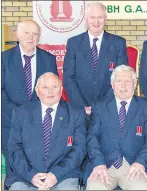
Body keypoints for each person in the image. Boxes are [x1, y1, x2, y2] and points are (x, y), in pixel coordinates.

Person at [6, 72, 86, 190]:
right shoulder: (21, 113)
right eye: (45, 87)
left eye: (55, 87)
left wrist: (55, 175)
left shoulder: (76, 114)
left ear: (61, 89)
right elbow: (14, 150)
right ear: (37, 91)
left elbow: (79, 150)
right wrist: (31, 175)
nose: (50, 91)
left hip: (64, 176)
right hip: (26, 177)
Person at [1, 20, 58, 184]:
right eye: (26, 33)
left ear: (39, 37)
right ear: (18, 35)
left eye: (35, 34)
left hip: (39, 123)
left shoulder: (49, 60)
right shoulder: (3, 58)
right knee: (14, 170)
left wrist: (33, 114)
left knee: (37, 166)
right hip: (9, 121)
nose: (31, 37)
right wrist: (18, 114)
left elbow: (51, 91)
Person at [86, 65, 147, 190]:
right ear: (112, 84)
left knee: (142, 188)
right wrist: (98, 163)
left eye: (127, 81)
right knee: (94, 187)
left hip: (134, 166)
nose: (123, 85)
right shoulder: (99, 107)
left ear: (134, 84)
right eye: (119, 81)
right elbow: (92, 137)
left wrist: (140, 162)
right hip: (105, 166)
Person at [63, 2, 128, 116]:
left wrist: (102, 106)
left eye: (100, 17)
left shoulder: (118, 43)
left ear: (106, 19)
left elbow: (121, 78)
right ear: (86, 19)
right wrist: (82, 106)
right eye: (92, 17)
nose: (96, 21)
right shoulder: (73, 43)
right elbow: (69, 77)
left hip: (109, 108)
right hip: (80, 109)